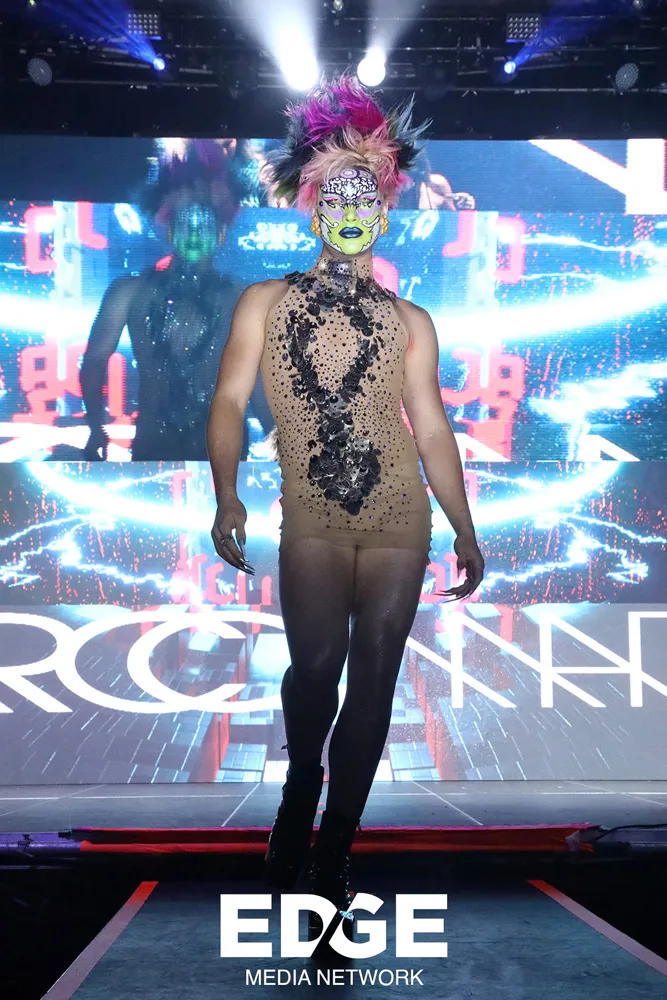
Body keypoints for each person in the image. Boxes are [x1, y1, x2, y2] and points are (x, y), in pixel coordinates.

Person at [206, 77, 484, 939]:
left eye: (366, 198)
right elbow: (227, 402)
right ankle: (301, 786)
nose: (352, 210)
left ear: (385, 214)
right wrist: (226, 494)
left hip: (400, 512)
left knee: (374, 680)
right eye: (337, 196)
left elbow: (430, 428)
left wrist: (464, 527)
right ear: (314, 209)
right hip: (312, 511)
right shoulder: (265, 301)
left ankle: (335, 847)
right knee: (316, 668)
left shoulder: (411, 320)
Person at [80, 140, 272, 461]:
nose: (194, 235)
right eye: (185, 224)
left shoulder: (242, 298)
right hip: (154, 449)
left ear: (221, 234)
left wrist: (281, 445)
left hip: (222, 457)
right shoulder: (129, 292)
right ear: (170, 231)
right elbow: (95, 361)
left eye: (203, 225)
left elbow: (259, 381)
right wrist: (95, 427)